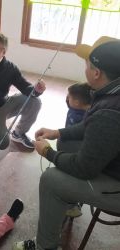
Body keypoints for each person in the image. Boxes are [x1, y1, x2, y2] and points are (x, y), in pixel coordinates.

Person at [13, 36, 120, 250]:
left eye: (87, 64)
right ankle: (71, 203)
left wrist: (47, 153)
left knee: (50, 180)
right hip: (112, 162)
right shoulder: (110, 93)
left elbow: (84, 167)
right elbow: (90, 126)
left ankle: (45, 246)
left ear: (97, 73)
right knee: (65, 143)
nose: (85, 69)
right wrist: (58, 132)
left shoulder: (109, 111)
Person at [60, 83, 91, 218]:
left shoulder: (78, 117)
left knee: (69, 176)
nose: (67, 99)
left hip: (76, 151)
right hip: (81, 149)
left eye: (69, 98)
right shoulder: (88, 110)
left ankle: (72, 206)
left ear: (77, 102)